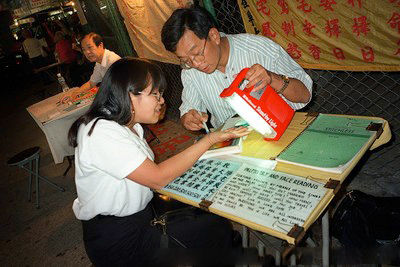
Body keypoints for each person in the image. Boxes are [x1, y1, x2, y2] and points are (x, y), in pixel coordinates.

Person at [68, 57, 250, 266]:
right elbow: (158, 178)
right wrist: (210, 139)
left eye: (160, 93)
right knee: (212, 227)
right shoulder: (101, 132)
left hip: (142, 213)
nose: (162, 100)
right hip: (120, 239)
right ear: (129, 94)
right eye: (155, 93)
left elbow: (153, 174)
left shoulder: (128, 124)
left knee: (209, 213)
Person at [161, 6, 313, 131]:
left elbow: (305, 95)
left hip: (278, 130)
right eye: (185, 60)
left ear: (213, 36)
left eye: (197, 53)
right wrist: (189, 118)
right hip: (231, 140)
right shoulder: (189, 71)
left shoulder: (258, 48)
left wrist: (273, 78)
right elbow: (189, 109)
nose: (196, 64)